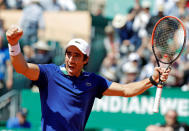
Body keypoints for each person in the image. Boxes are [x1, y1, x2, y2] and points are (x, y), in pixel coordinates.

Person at [6, 25, 170, 131]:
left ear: (86, 60)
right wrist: (14, 45)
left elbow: (126, 90)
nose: (71, 59)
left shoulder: (93, 81)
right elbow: (23, 68)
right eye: (68, 54)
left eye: (77, 55)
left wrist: (152, 80)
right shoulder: (50, 73)